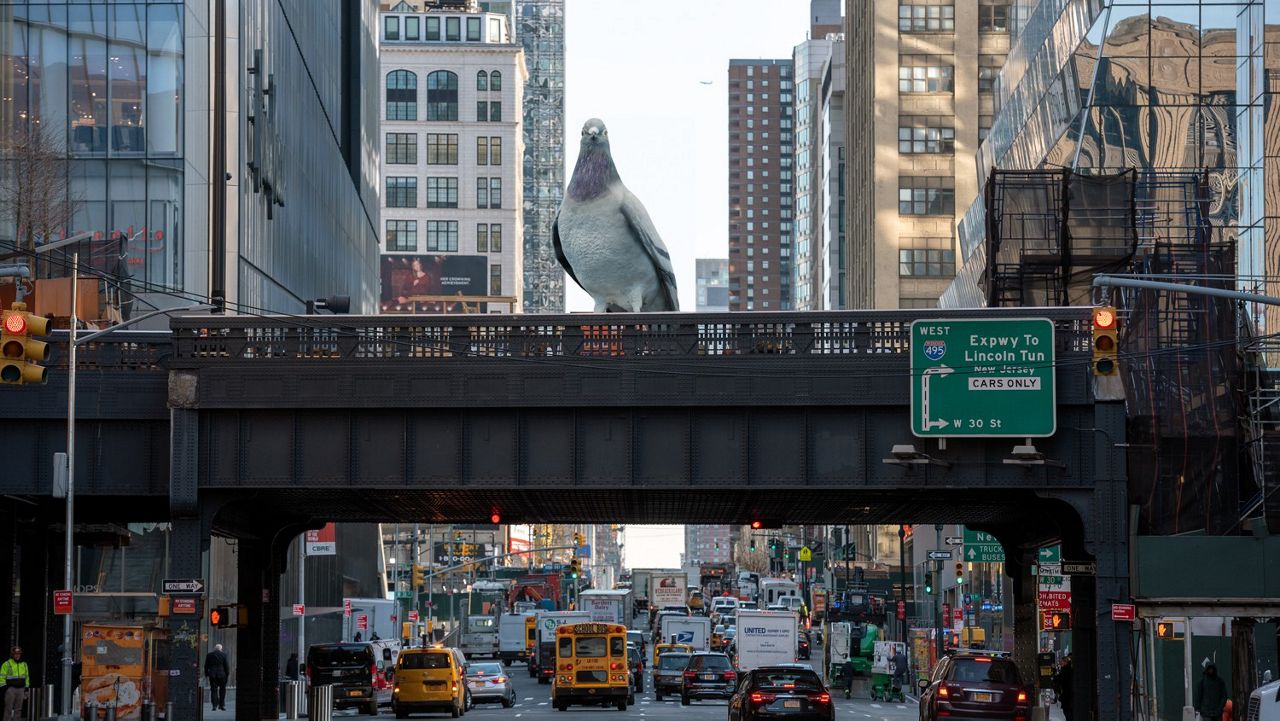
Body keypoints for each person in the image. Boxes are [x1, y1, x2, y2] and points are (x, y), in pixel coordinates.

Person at [1, 647, 28, 721]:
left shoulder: (24, 664)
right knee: (8, 709)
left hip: (21, 689)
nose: (17, 655)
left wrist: (26, 689)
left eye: (19, 654)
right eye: (15, 654)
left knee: (18, 710)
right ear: (12, 654)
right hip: (11, 689)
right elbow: (2, 677)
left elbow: (27, 677)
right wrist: (5, 688)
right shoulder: (7, 664)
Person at [204, 643, 230, 711]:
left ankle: (214, 705)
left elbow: (206, 666)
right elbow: (226, 666)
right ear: (221, 649)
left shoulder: (209, 655)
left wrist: (206, 674)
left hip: (212, 675)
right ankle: (222, 705)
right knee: (222, 690)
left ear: (214, 648)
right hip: (222, 675)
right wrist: (227, 675)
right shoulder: (224, 655)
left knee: (213, 690)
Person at [1053, 653, 1074, 721]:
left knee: (1068, 713)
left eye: (1061, 662)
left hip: (1067, 696)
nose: (1060, 663)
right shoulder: (1065, 670)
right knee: (1068, 712)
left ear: (1065, 662)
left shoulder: (1066, 671)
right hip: (1067, 696)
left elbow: (1060, 681)